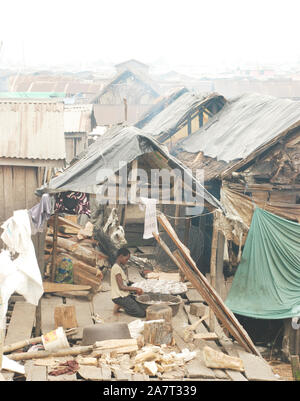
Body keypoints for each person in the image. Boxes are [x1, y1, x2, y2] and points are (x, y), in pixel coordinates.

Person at [111, 247, 146, 318]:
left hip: (124, 295)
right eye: (126, 259)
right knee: (142, 313)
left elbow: (125, 282)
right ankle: (122, 305)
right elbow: (121, 287)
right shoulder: (116, 268)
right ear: (120, 257)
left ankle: (123, 305)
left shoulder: (120, 267)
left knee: (141, 305)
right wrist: (136, 289)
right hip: (120, 297)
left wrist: (135, 285)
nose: (127, 261)